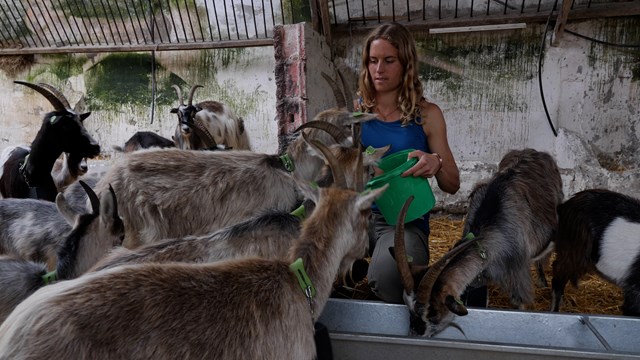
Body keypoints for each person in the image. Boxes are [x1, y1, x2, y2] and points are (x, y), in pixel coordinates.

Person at [354, 22, 461, 304]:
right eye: (373, 61)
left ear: (406, 64)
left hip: (404, 222)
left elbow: (453, 184)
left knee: (390, 282)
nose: (379, 69)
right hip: (360, 217)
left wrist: (435, 162)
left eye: (389, 61)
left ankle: (376, 271)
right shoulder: (357, 113)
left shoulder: (427, 115)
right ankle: (351, 269)